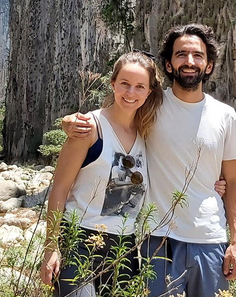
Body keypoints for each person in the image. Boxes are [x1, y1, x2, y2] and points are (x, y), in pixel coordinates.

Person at [62, 24, 236, 297]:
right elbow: (113, 115)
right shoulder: (150, 105)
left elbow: (233, 181)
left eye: (198, 55)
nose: (189, 61)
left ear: (208, 66)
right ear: (169, 64)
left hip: (209, 239)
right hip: (157, 238)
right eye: (181, 54)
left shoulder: (225, 116)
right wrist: (71, 123)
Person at [41, 51, 161, 296]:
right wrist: (51, 246)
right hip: (79, 239)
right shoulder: (88, 128)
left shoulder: (147, 133)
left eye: (140, 86)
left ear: (149, 92)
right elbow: (60, 189)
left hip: (124, 246)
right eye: (125, 84)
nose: (130, 93)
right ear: (113, 83)